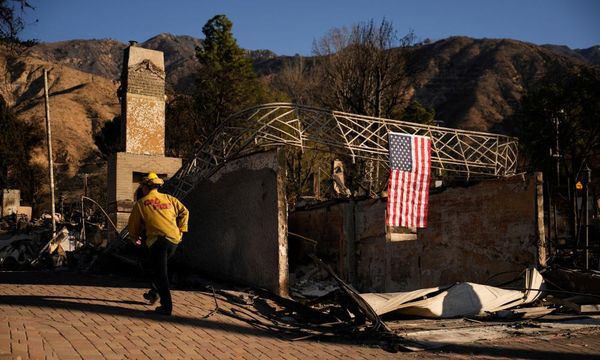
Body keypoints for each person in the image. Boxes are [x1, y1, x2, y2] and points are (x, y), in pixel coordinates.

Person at [128, 172, 189, 315]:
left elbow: (133, 225)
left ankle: (166, 307)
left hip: (157, 242)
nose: (142, 188)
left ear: (146, 187)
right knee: (158, 269)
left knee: (161, 274)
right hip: (174, 240)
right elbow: (185, 211)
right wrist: (182, 229)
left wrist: (134, 238)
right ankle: (154, 293)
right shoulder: (169, 199)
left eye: (142, 185)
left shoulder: (141, 204)